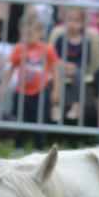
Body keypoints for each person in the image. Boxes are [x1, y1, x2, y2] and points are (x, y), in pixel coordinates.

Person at [4, 12, 59, 150]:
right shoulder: (18, 48)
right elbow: (11, 67)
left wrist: (56, 90)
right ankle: (18, 146)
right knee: (19, 119)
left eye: (32, 31)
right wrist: (4, 85)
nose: (28, 35)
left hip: (40, 91)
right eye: (25, 32)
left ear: (41, 32)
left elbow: (55, 70)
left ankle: (39, 147)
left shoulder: (47, 49)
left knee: (40, 120)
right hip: (21, 91)